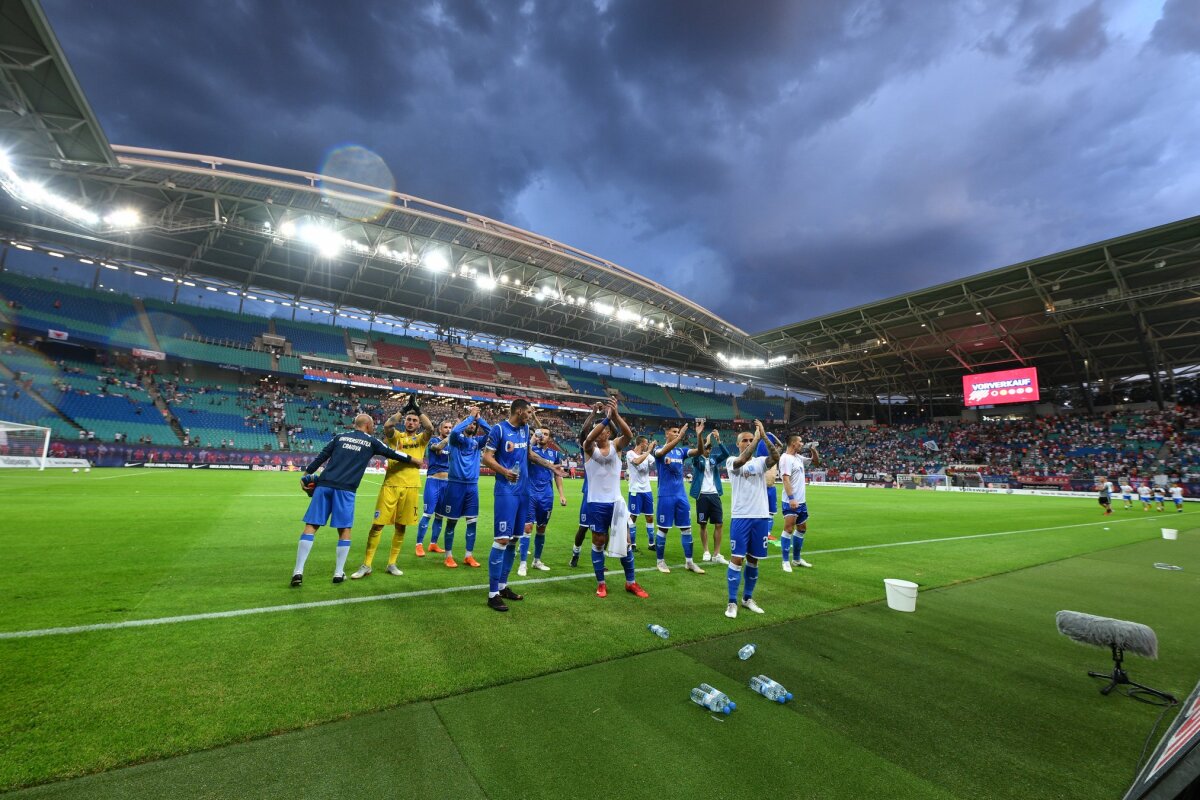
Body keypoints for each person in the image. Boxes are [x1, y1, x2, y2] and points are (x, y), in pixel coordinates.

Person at [291, 414, 415, 586]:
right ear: (368, 425)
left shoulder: (340, 437)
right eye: (373, 425)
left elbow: (322, 456)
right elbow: (393, 453)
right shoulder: (371, 441)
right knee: (344, 530)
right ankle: (338, 572)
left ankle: (297, 572)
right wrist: (413, 460)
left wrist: (306, 474)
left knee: (311, 526)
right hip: (345, 490)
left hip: (324, 485)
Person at [480, 399, 563, 611]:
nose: (530, 414)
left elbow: (529, 454)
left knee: (514, 540)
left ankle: (502, 586)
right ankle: (492, 594)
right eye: (528, 411)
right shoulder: (499, 429)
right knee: (501, 539)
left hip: (524, 492)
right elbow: (487, 457)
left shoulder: (526, 429)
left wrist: (550, 466)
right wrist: (504, 472)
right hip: (506, 491)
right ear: (519, 411)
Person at [349, 400, 434, 580]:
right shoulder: (395, 436)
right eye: (409, 420)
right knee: (377, 524)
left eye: (414, 420)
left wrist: (418, 410)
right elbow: (388, 424)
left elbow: (430, 429)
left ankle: (392, 563)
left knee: (401, 526)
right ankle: (367, 564)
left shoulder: (420, 440)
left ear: (418, 424)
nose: (411, 422)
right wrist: (403, 410)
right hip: (391, 485)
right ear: (405, 422)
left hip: (411, 487)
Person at [581, 400, 647, 599]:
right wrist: (602, 418)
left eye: (603, 429)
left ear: (609, 433)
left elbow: (629, 435)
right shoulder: (589, 448)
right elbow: (587, 437)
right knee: (598, 542)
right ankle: (601, 584)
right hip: (596, 503)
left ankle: (631, 582)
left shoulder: (616, 446)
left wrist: (616, 415)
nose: (599, 432)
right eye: (597, 429)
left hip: (616, 502)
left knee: (626, 543)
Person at [724, 420, 781, 618]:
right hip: (741, 516)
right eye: (744, 440)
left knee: (753, 560)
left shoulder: (760, 462)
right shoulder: (731, 460)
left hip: (760, 517)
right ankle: (732, 602)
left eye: (750, 439)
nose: (748, 442)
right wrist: (756, 439)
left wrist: (764, 436)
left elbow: (776, 457)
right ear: (738, 444)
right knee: (737, 558)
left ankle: (747, 598)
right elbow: (742, 461)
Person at [440, 407, 492, 568]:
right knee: (451, 522)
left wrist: (479, 418)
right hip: (455, 485)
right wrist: (470, 418)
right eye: (470, 423)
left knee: (472, 522)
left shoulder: (478, 442)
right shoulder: (456, 440)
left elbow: (492, 433)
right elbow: (455, 432)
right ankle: (448, 555)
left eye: (474, 424)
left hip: (472, 487)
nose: (472, 425)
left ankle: (468, 555)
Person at [652, 419, 706, 574]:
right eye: (674, 432)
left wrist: (699, 435)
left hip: (681, 496)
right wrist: (679, 437)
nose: (677, 434)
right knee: (663, 529)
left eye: (678, 432)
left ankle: (689, 562)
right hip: (665, 496)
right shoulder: (659, 450)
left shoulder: (681, 451)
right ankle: (660, 561)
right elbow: (661, 453)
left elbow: (699, 452)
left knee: (687, 529)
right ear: (666, 433)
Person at [518, 425, 567, 576]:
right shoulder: (531, 451)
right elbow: (524, 451)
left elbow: (558, 475)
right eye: (541, 433)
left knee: (541, 528)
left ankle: (536, 560)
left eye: (546, 434)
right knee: (527, 528)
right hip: (530, 493)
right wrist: (533, 438)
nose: (543, 436)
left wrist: (561, 494)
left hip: (547, 496)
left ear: (550, 438)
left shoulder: (555, 454)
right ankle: (523, 563)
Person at [689, 429, 731, 564]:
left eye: (709, 448)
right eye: (706, 448)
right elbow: (696, 456)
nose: (707, 450)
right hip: (702, 496)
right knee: (703, 525)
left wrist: (718, 440)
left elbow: (726, 453)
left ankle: (716, 554)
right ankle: (706, 551)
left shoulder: (714, 459)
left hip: (714, 495)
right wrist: (703, 441)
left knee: (719, 523)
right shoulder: (697, 460)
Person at [414, 418, 453, 558]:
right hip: (433, 481)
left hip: (447, 483)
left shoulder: (452, 445)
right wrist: (450, 438)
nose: (448, 430)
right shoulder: (433, 441)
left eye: (450, 428)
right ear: (440, 429)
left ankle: (433, 543)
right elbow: (437, 449)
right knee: (427, 514)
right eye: (446, 428)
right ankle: (419, 544)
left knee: (440, 516)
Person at [779, 435, 820, 570]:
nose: (802, 444)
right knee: (789, 529)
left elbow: (816, 462)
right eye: (800, 442)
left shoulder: (798, 458)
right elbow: (785, 479)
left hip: (801, 501)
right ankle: (785, 561)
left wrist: (813, 450)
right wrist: (791, 498)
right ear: (793, 444)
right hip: (791, 501)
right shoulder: (785, 458)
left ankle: (796, 559)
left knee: (802, 529)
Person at [570, 405, 603, 568]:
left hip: (605, 494)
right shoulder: (588, 448)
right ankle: (575, 553)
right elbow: (583, 432)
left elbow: (616, 433)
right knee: (583, 528)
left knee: (603, 530)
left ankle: (600, 558)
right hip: (590, 493)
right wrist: (593, 413)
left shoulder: (608, 447)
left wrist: (610, 416)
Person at [625, 436, 655, 554]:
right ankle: (632, 544)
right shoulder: (630, 454)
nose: (648, 445)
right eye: (646, 443)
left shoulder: (648, 455)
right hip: (635, 490)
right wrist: (648, 452)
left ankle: (651, 543)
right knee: (633, 517)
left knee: (650, 517)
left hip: (647, 490)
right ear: (641, 444)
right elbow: (637, 462)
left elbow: (656, 459)